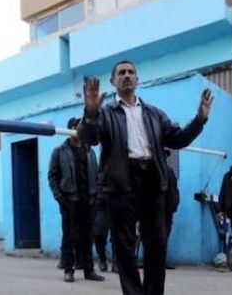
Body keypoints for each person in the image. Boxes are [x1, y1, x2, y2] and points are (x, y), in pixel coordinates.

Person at [78, 60, 212, 295]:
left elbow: (178, 139)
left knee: (157, 245)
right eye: (121, 73)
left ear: (137, 80)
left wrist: (199, 119)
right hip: (120, 183)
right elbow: (90, 139)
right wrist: (90, 113)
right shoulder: (106, 113)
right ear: (113, 81)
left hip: (152, 180)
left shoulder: (154, 114)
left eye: (131, 72)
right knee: (124, 247)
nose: (127, 76)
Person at [48, 117, 105, 283]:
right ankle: (68, 270)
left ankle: (89, 271)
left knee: (88, 237)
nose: (78, 129)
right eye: (75, 127)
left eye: (80, 127)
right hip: (69, 201)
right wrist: (60, 198)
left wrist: (97, 195)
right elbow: (52, 176)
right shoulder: (59, 151)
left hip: (89, 201)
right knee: (69, 236)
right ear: (69, 130)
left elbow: (98, 175)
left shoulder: (90, 151)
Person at [163, 149, 179, 269]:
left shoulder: (169, 172)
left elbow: (174, 190)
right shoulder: (151, 172)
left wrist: (174, 204)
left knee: (165, 235)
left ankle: (162, 260)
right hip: (154, 210)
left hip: (167, 210)